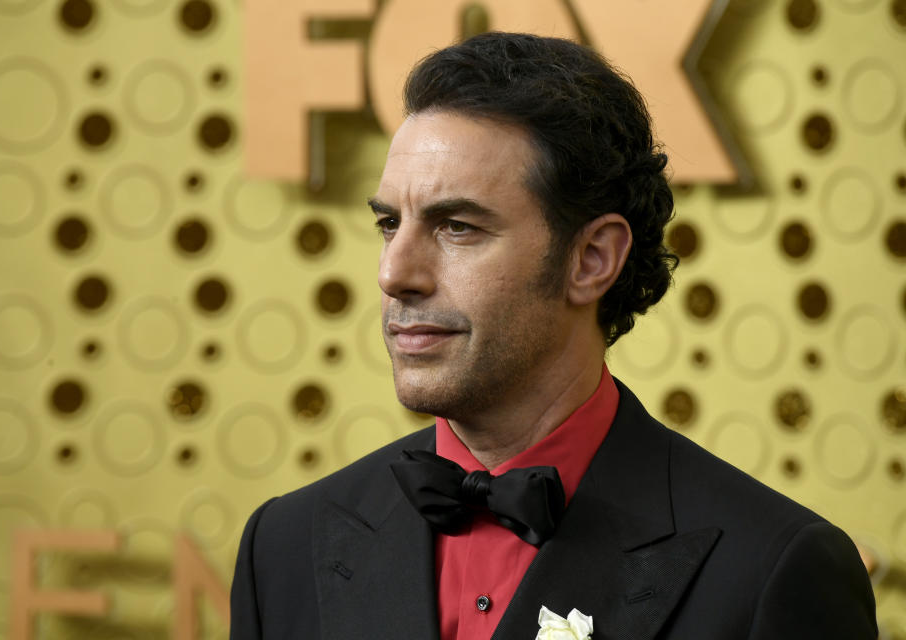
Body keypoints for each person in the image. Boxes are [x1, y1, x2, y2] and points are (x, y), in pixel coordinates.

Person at [230, 32, 876, 639]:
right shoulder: (282, 545)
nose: (395, 272)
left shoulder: (772, 569)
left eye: (457, 227)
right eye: (388, 224)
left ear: (591, 259)